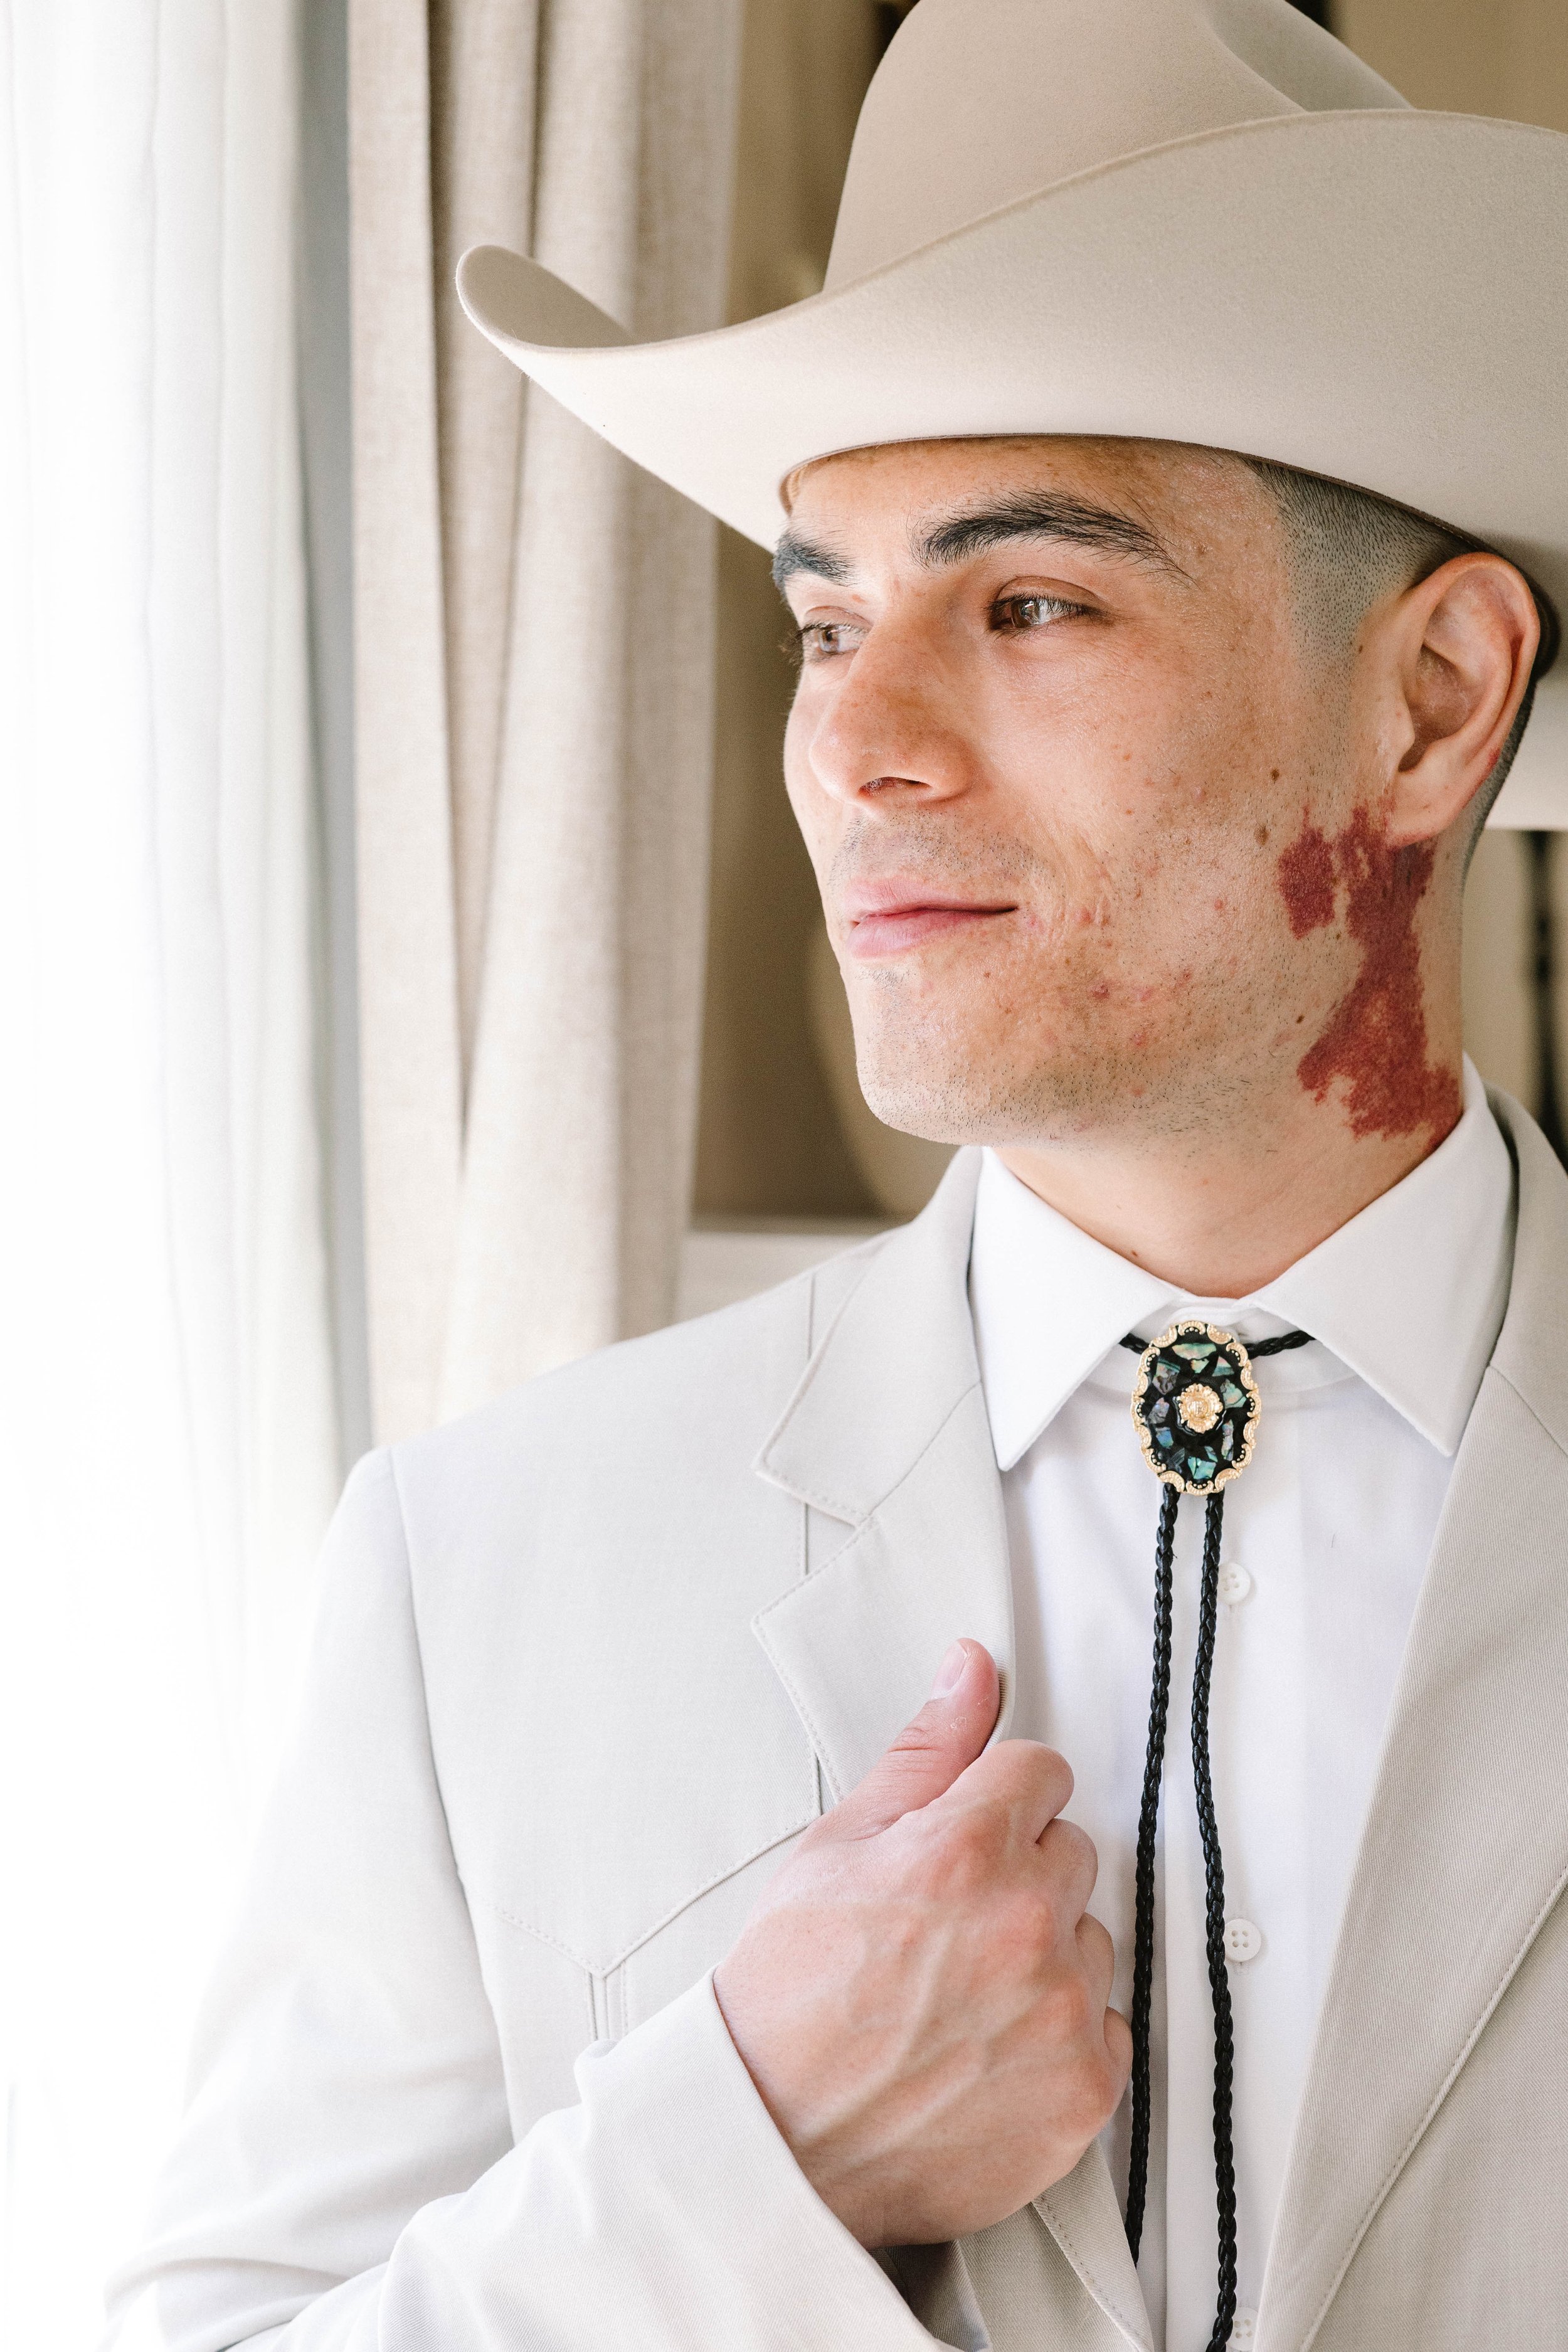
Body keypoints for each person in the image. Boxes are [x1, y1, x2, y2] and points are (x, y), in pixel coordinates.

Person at [109, 2, 1568, 2348]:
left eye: (1030, 603)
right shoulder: (478, 1566)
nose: (851, 745)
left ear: (1427, 702)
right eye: (822, 620)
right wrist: (748, 2161)